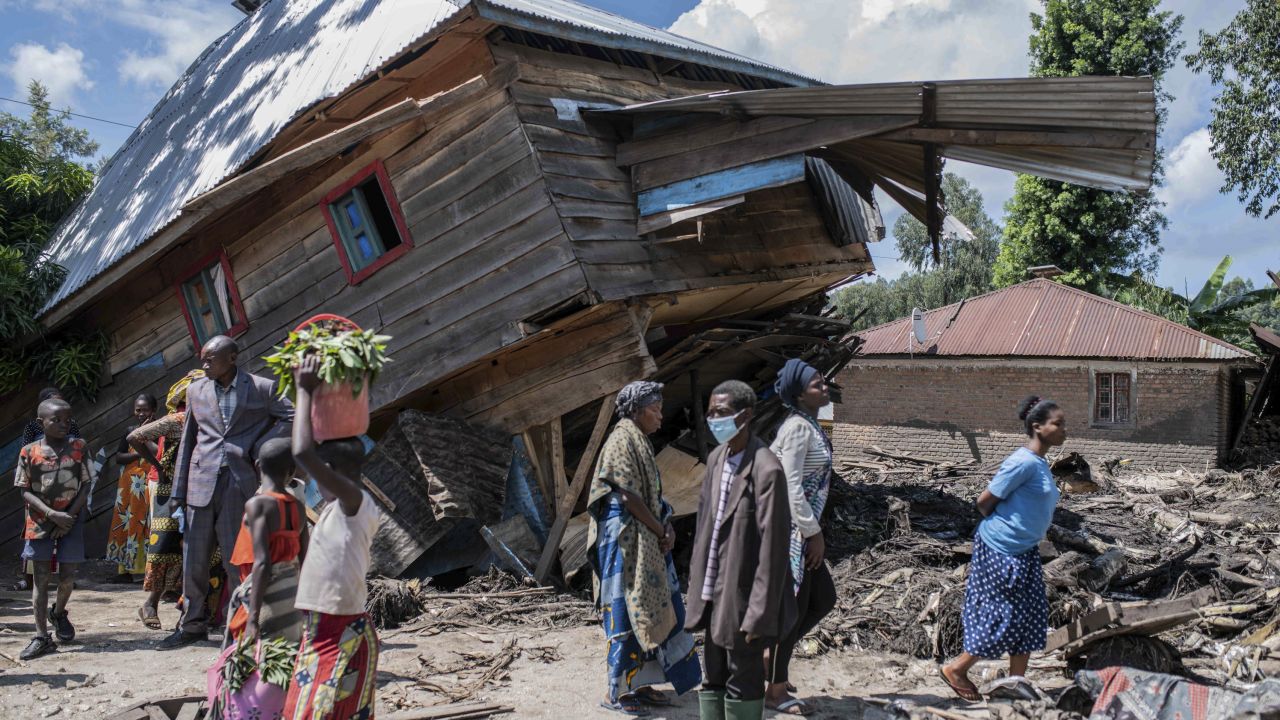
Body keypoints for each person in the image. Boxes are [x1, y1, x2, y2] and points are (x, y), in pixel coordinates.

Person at [161, 336, 294, 649]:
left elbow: (290, 417)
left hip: (240, 482)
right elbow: (189, 439)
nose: (205, 365)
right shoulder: (195, 391)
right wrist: (178, 490)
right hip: (200, 483)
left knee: (239, 561)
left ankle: (242, 627)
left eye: (211, 359)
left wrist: (262, 448)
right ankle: (191, 625)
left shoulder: (261, 388)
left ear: (232, 358)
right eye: (203, 359)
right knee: (194, 559)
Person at [940, 396, 1067, 702]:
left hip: (1023, 550)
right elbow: (984, 502)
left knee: (1030, 615)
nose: (1064, 430)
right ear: (1037, 427)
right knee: (1004, 615)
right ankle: (956, 669)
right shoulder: (1021, 462)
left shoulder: (1038, 463)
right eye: (1058, 424)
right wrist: (1008, 529)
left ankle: (1016, 683)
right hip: (1001, 550)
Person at [587, 380, 701, 716]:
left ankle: (641, 684)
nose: (661, 416)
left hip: (644, 538)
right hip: (624, 543)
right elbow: (626, 496)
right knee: (627, 611)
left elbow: (650, 496)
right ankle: (616, 693)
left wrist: (666, 528)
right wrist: (658, 528)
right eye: (655, 409)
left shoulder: (640, 440)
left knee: (653, 611)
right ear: (636, 411)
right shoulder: (622, 439)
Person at [687, 380, 795, 720]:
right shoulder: (717, 459)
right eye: (709, 414)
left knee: (743, 681)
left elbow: (774, 552)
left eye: (720, 413)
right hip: (712, 593)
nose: (712, 420)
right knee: (713, 678)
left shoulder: (767, 470)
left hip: (745, 600)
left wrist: (760, 615)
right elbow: (704, 527)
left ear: (745, 416)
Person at [284, 354, 381, 720]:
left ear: (336, 472)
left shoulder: (356, 503)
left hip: (341, 627)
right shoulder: (335, 511)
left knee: (317, 710)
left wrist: (303, 390)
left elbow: (301, 452)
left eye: (320, 471)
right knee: (318, 708)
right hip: (323, 622)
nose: (312, 478)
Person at [765, 360, 838, 716]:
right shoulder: (797, 427)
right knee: (791, 612)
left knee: (822, 599)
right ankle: (776, 692)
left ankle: (771, 659)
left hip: (800, 529)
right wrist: (814, 533)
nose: (824, 388)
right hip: (790, 531)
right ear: (798, 394)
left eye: (823, 382)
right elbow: (791, 485)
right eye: (816, 385)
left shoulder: (810, 425)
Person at [14, 397, 94, 660]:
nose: (63, 424)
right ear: (41, 423)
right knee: (40, 579)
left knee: (68, 576)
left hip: (71, 519)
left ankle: (58, 613)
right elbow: (25, 491)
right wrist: (51, 515)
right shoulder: (29, 452)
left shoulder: (79, 447)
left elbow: (86, 485)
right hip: (39, 522)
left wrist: (68, 516)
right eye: (56, 420)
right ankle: (41, 636)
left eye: (67, 420)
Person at [128, 370, 203, 629]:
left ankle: (189, 606)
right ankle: (151, 603)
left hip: (197, 488)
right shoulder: (178, 419)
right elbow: (134, 437)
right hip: (167, 490)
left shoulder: (210, 418)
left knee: (194, 547)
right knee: (164, 546)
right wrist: (158, 466)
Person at [227, 437, 307, 645]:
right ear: (291, 470)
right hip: (290, 591)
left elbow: (262, 563)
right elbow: (305, 557)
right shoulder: (297, 506)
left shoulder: (258, 505)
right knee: (286, 653)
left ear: (257, 465)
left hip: (264, 592)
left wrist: (253, 618)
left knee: (254, 654)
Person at [15, 388, 81, 592]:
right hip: (39, 496)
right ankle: (30, 578)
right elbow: (27, 460)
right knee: (35, 542)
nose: (63, 422)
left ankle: (65, 578)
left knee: (65, 540)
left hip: (67, 497)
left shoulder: (74, 431)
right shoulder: (31, 432)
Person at [106, 394, 159, 582]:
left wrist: (145, 436)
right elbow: (119, 457)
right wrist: (138, 451)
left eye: (145, 409)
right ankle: (126, 571)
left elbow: (158, 453)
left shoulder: (160, 431)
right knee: (128, 524)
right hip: (129, 487)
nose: (141, 413)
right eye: (138, 409)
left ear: (154, 411)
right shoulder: (130, 430)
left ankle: (145, 571)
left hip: (149, 485)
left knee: (147, 525)